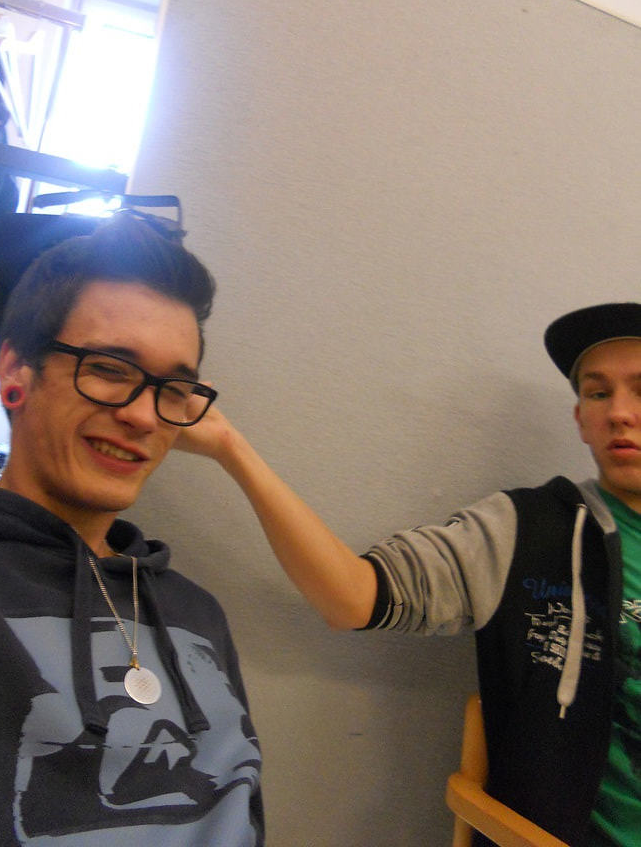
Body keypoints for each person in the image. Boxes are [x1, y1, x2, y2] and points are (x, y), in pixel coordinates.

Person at [178, 302, 641, 847]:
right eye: (598, 392)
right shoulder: (530, 531)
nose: (619, 413)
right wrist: (232, 450)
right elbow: (350, 597)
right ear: (580, 417)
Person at [0, 211, 263, 846]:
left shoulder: (198, 617)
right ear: (16, 371)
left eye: (174, 389)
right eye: (111, 369)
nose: (145, 417)